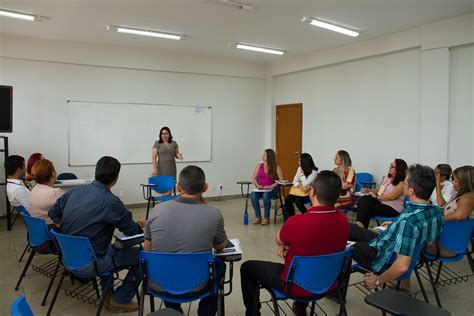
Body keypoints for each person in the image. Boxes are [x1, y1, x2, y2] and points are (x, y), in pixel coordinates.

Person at [241, 170, 349, 316]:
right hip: (328, 282)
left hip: (295, 285)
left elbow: (279, 239)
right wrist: (291, 245)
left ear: (312, 192)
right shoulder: (343, 220)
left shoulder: (297, 222)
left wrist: (285, 245)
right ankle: (300, 308)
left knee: (247, 268)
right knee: (314, 256)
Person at [49, 156, 144, 313]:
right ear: (116, 178)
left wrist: (68, 233)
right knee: (143, 256)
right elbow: (133, 233)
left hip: (67, 258)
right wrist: (140, 224)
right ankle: (119, 300)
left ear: (96, 172)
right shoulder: (111, 202)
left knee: (105, 247)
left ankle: (108, 295)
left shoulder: (73, 192)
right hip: (91, 264)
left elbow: (53, 212)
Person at [144, 165, 227, 315]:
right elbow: (220, 245)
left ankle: (174, 310)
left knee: (162, 262)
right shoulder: (214, 214)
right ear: (205, 187)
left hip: (160, 282)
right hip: (199, 285)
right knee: (219, 266)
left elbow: (147, 250)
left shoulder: (157, 210)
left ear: (178, 186)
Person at [349, 164, 444, 290]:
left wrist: (378, 280)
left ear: (411, 190)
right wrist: (395, 223)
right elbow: (418, 234)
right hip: (391, 243)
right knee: (349, 228)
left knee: (346, 246)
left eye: (404, 183)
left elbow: (402, 266)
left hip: (384, 257)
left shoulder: (408, 221)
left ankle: (334, 290)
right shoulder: (436, 211)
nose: (403, 185)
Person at [427, 165, 474, 257]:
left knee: (403, 241)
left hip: (445, 247)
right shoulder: (467, 196)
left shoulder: (468, 198)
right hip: (446, 244)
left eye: (456, 181)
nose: (452, 183)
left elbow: (459, 215)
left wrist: (435, 219)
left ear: (465, 182)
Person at [355, 159, 408, 228]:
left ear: (399, 169)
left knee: (365, 208)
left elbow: (391, 197)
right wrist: (368, 190)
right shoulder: (387, 177)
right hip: (381, 202)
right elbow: (378, 190)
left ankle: (360, 228)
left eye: (392, 166)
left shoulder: (402, 183)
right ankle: (360, 227)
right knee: (365, 199)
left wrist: (376, 197)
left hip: (392, 208)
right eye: (390, 165)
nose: (389, 167)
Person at [249, 149, 283, 225]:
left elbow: (281, 181)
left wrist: (272, 186)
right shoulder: (259, 166)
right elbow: (253, 178)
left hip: (272, 189)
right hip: (261, 189)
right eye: (263, 154)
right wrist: (258, 185)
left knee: (266, 195)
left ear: (269, 157)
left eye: (264, 155)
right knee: (253, 195)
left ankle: (266, 218)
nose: (262, 156)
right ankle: (258, 217)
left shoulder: (276, 167)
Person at [26, 159, 64, 225]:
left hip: (40, 230)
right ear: (53, 172)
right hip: (53, 229)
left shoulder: (34, 189)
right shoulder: (55, 193)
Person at [283, 153, 318, 221]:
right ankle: (291, 217)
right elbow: (294, 181)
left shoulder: (314, 172)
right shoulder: (299, 168)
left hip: (308, 193)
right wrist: (300, 186)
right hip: (299, 191)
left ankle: (306, 217)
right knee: (288, 199)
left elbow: (305, 183)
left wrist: (302, 174)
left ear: (304, 162)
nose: (298, 162)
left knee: (298, 201)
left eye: (299, 161)